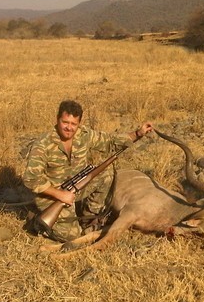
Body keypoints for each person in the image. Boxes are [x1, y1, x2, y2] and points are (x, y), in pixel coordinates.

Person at [24, 100, 153, 242]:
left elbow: (110, 141)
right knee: (72, 236)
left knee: (106, 172)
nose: (69, 128)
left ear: (79, 123)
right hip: (51, 196)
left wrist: (138, 133)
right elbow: (31, 179)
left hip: (76, 188)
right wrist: (60, 195)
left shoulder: (84, 134)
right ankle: (37, 220)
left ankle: (90, 219)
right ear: (57, 119)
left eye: (73, 124)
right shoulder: (43, 143)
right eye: (65, 122)